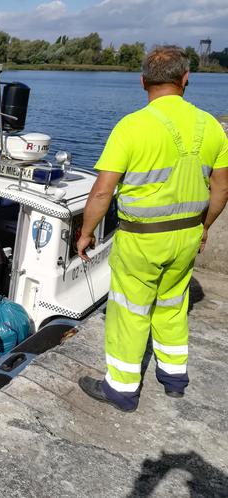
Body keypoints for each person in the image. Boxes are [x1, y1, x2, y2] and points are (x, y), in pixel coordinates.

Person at [76, 46, 228, 412]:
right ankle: (174, 377)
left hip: (141, 240)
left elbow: (101, 192)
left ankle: (122, 389)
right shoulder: (211, 126)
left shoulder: (131, 127)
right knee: (174, 304)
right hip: (188, 235)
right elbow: (221, 188)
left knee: (129, 309)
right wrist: (204, 226)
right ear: (186, 79)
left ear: (143, 81)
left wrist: (86, 233)